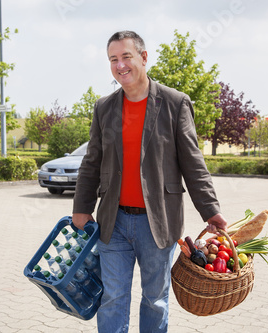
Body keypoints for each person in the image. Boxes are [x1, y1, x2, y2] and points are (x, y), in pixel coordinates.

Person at [72, 30, 227, 333]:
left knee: (155, 300)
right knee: (113, 297)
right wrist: (82, 207)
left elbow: (193, 163)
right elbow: (91, 162)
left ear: (143, 58)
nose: (120, 66)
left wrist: (210, 210)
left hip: (157, 224)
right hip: (113, 222)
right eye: (113, 60)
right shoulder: (104, 107)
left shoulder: (175, 103)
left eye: (126, 57)